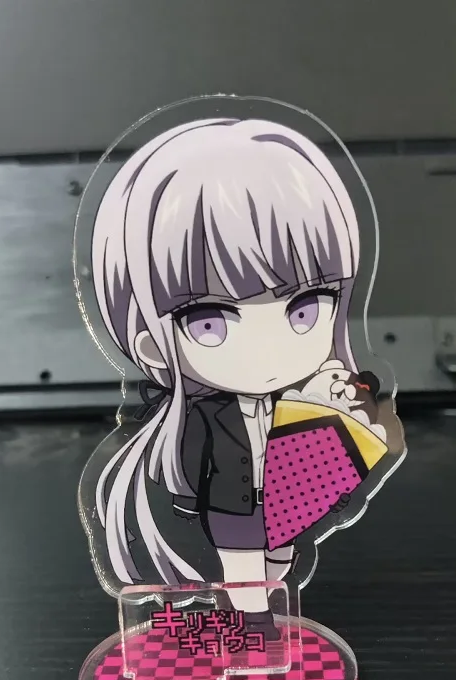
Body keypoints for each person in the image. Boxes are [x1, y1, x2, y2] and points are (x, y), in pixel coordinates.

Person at [90, 118, 368, 639]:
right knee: (243, 569)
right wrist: (188, 498)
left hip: (287, 501)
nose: (267, 349)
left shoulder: (306, 402)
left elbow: (334, 458)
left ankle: (265, 608)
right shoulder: (204, 414)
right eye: (210, 322)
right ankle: (252, 625)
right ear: (151, 341)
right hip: (229, 505)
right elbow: (190, 459)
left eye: (305, 308)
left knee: (278, 560)